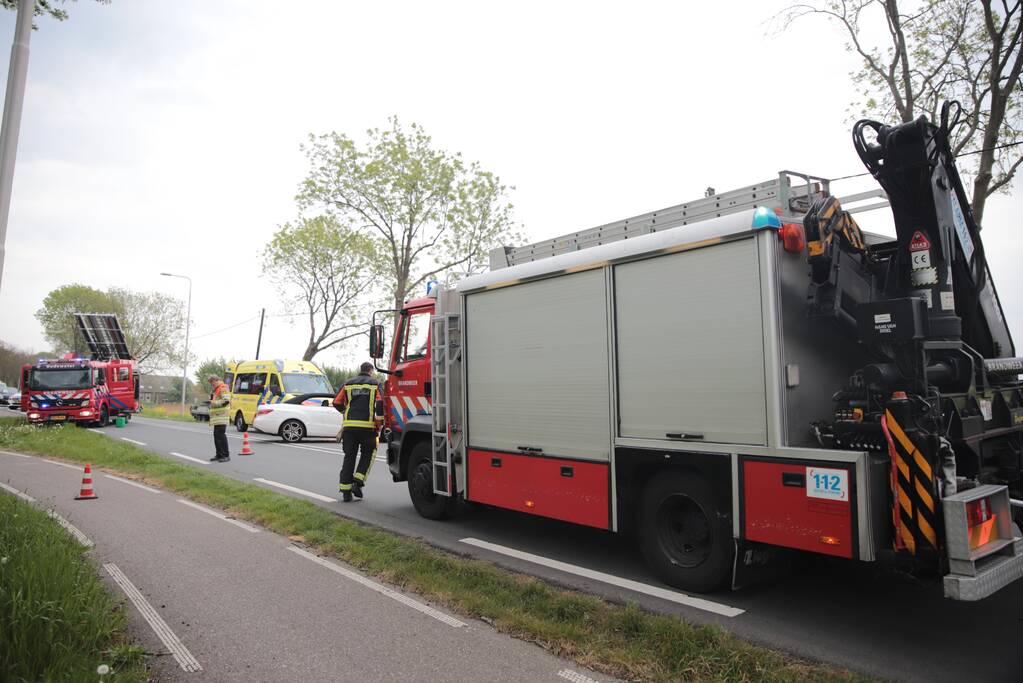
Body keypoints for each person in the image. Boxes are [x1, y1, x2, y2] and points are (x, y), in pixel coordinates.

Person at [333, 362, 383, 502]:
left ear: (360, 370)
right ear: (371, 371)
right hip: (368, 427)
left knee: (349, 457)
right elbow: (380, 403)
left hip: (349, 427)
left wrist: (347, 412)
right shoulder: (375, 384)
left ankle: (345, 491)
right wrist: (379, 423)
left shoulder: (348, 384)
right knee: (368, 454)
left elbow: (336, 402)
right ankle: (358, 481)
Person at [208, 375, 231, 462]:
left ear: (216, 380)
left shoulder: (223, 388)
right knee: (216, 436)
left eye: (212, 382)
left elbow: (226, 401)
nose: (211, 384)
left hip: (222, 416)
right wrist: (210, 400)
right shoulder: (215, 389)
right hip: (217, 417)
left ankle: (225, 455)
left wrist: (213, 403)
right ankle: (219, 454)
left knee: (221, 435)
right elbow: (214, 400)